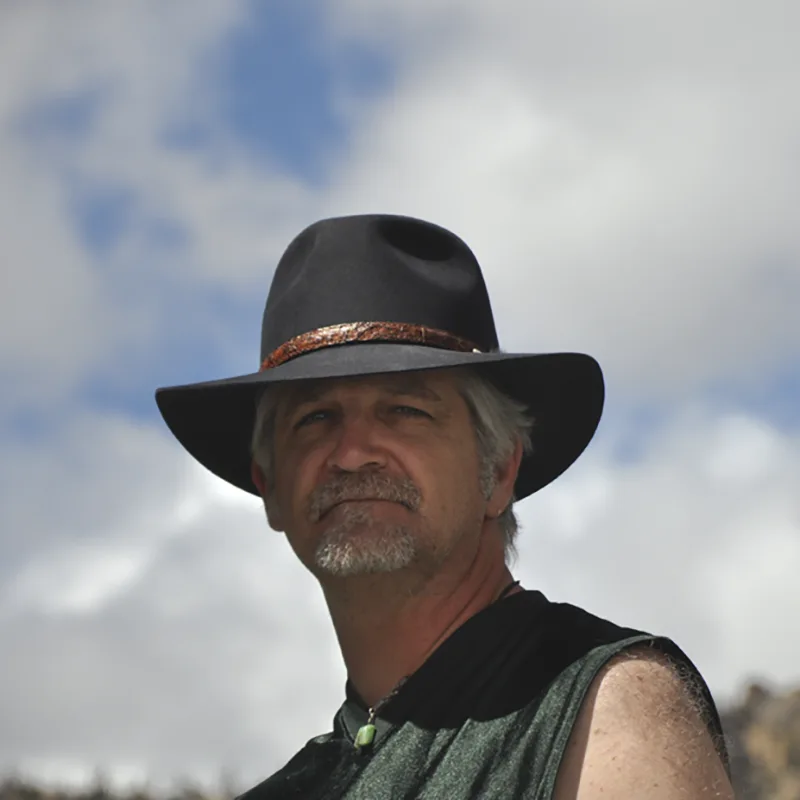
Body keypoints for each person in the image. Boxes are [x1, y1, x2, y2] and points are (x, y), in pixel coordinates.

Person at [156, 214, 735, 799]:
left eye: (405, 411)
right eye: (316, 418)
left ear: (499, 469)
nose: (353, 453)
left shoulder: (599, 706)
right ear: (269, 486)